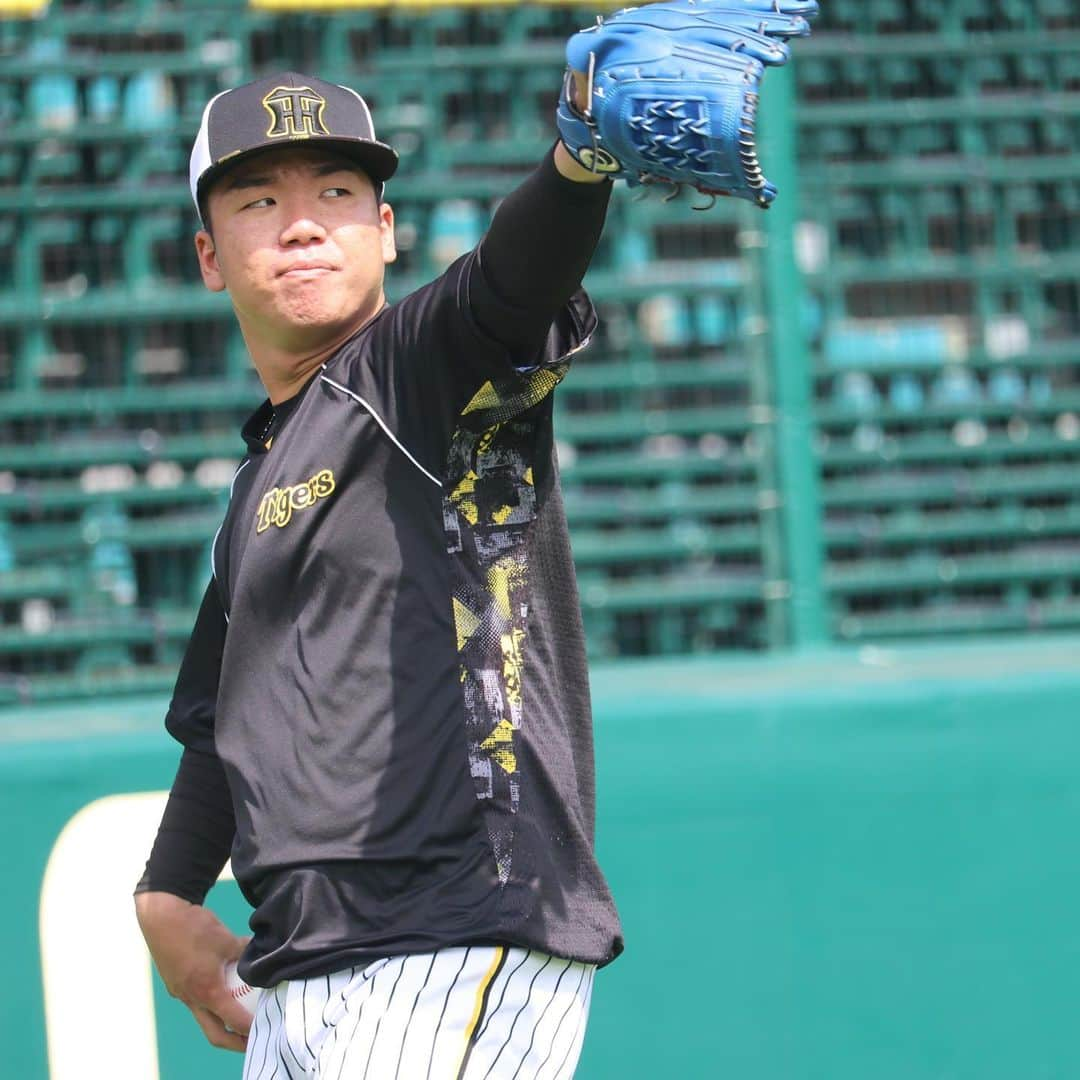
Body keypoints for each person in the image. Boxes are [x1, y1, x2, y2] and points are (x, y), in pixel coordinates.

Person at [134, 67, 623, 1079]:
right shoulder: (262, 476)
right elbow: (226, 717)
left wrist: (580, 163)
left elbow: (510, 284)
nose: (302, 224)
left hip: (450, 923)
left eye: (337, 194)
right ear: (207, 256)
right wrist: (170, 894)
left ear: (388, 229)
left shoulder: (412, 374)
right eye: (260, 201)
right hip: (306, 962)